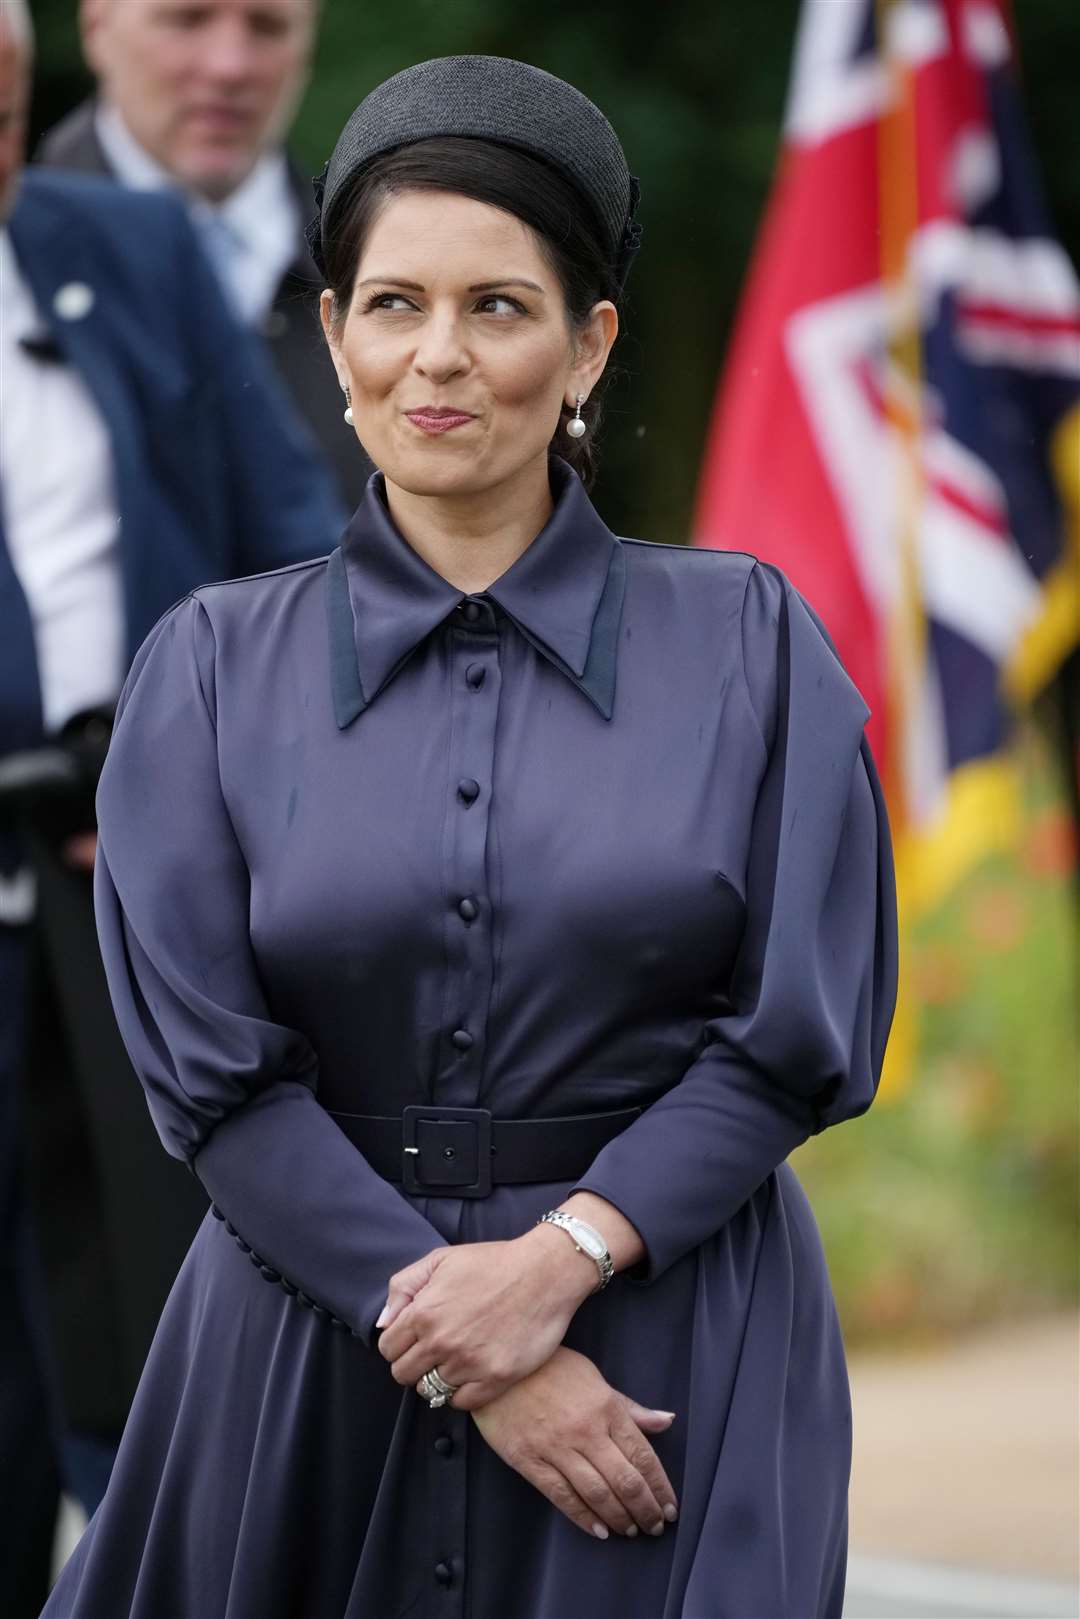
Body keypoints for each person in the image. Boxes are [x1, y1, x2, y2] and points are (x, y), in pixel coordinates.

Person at [43, 56, 897, 1619]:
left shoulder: (757, 647)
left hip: (673, 1344)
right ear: (333, 335)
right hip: (301, 1355)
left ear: (590, 347)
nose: (438, 357)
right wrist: (479, 1350)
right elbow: (214, 1080)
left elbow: (795, 1033)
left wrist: (560, 1262)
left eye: (499, 307)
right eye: (392, 303)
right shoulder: (206, 672)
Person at [0, 0, 342, 1595]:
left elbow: (304, 564)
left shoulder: (121, 250)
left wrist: (174, 777)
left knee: (173, 1391)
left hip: (129, 919)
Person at [37, 0, 371, 509]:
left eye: (268, 26)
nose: (230, 66)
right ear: (96, 25)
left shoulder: (378, 271)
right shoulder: (16, 265)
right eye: (187, 19)